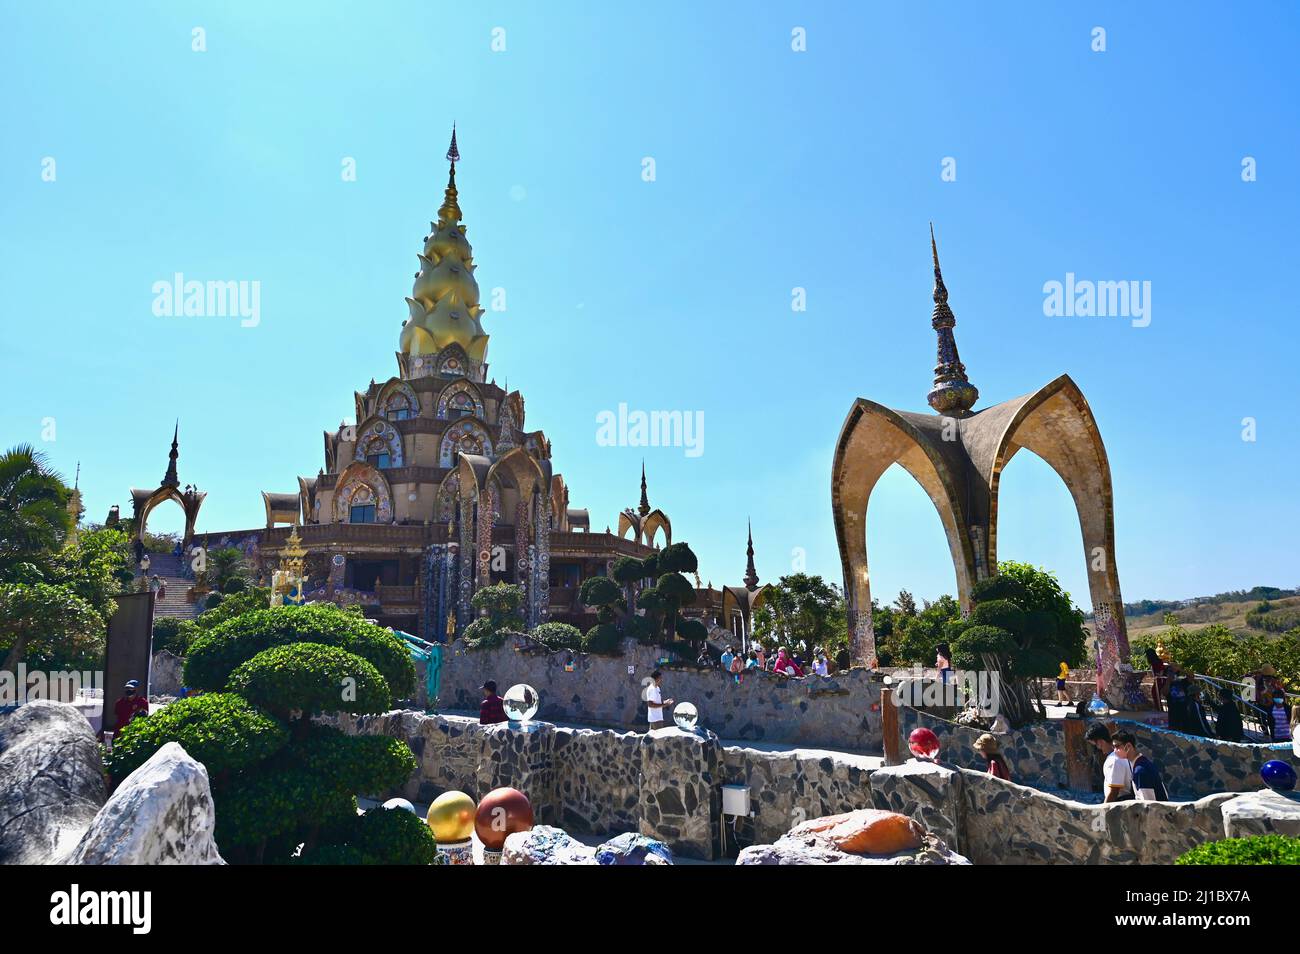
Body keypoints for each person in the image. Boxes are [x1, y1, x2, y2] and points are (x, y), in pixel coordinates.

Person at [1113, 731, 1168, 801]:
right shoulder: (1142, 763)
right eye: (1113, 747)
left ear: (1128, 746)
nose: (1114, 751)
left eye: (1117, 746)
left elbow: (1148, 804)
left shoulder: (1140, 770)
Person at [1085, 722, 1132, 802]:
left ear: (1100, 742)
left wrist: (1104, 811)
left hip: (1119, 804)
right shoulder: (1117, 755)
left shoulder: (1114, 760)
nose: (1095, 749)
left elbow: (1114, 792)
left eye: (1094, 745)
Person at [1145, 647, 1169, 712]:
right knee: (1155, 693)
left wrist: (1158, 675)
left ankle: (1159, 709)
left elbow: (1161, 671)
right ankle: (1159, 708)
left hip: (1160, 680)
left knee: (1155, 693)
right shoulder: (1157, 661)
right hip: (1159, 680)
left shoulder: (1156, 662)